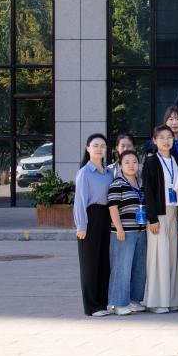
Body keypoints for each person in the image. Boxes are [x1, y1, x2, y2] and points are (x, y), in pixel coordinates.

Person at [142, 125, 178, 313]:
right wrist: (152, 218)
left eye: (169, 137)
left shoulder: (176, 160)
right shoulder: (151, 161)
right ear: (154, 141)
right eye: (161, 138)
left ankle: (172, 298)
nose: (166, 141)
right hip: (159, 213)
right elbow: (148, 191)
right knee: (159, 257)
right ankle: (157, 301)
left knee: (173, 256)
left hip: (174, 212)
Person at [74, 134, 113, 317]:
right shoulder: (84, 173)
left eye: (102, 146)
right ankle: (91, 306)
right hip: (91, 217)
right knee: (90, 263)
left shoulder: (108, 172)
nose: (99, 149)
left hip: (106, 217)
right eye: (95, 145)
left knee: (104, 262)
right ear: (87, 148)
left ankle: (102, 303)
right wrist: (81, 225)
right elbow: (80, 201)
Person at [107, 150, 148, 315]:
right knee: (121, 268)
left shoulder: (141, 182)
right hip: (124, 232)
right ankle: (118, 303)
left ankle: (134, 300)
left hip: (141, 231)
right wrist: (119, 228)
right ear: (120, 165)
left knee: (139, 268)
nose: (131, 165)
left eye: (134, 162)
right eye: (127, 162)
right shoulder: (118, 183)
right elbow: (113, 208)